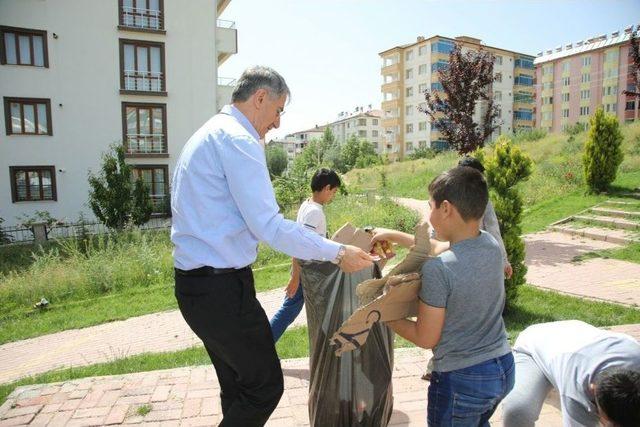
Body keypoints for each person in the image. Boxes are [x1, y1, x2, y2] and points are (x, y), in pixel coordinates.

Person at [170, 66, 373, 427]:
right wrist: (338, 252)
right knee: (264, 386)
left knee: (238, 387)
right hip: (220, 288)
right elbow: (270, 226)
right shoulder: (238, 139)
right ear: (260, 98)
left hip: (196, 286)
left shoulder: (207, 134)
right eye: (278, 110)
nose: (277, 123)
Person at [382, 166, 514, 426]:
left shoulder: (438, 269)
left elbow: (426, 336)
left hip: (462, 380)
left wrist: (382, 313)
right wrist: (392, 235)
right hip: (502, 368)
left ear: (445, 208)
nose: (429, 214)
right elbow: (437, 247)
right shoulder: (489, 244)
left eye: (430, 206)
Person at [502, 320, 640, 427]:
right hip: (535, 347)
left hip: (579, 338)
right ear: (593, 390)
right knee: (517, 410)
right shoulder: (576, 389)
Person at [269, 168, 341, 342]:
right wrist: (296, 277)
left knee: (303, 310)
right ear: (327, 188)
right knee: (289, 311)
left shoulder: (307, 204)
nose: (333, 196)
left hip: (306, 270)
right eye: (333, 192)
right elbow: (299, 245)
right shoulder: (314, 212)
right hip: (306, 271)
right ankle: (261, 346)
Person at [457, 156, 512, 279]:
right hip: (477, 260)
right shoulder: (482, 199)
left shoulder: (448, 196)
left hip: (453, 259)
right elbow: (493, 230)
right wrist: (504, 261)